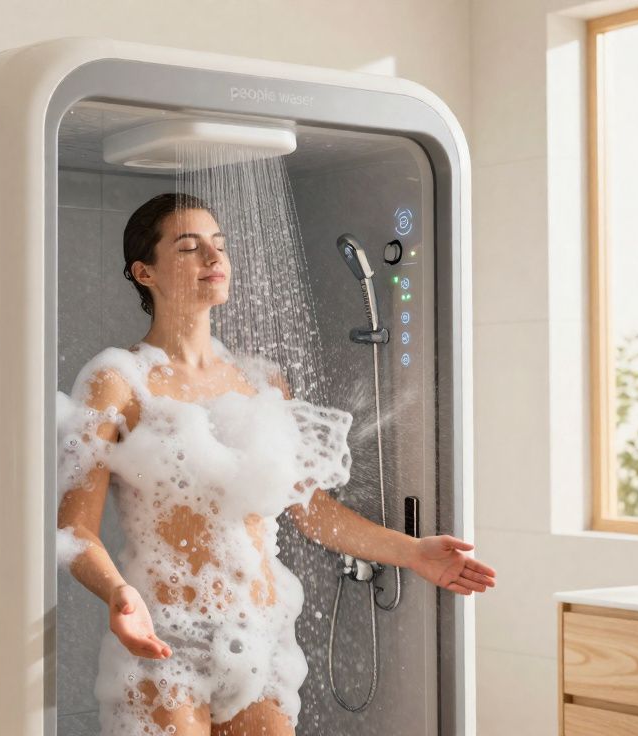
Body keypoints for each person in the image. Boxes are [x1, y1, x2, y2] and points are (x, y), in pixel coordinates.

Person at [56, 192, 496, 736]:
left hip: (259, 641)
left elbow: (311, 511)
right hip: (168, 641)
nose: (213, 258)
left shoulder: (261, 381)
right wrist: (118, 593)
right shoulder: (120, 381)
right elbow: (75, 529)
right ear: (144, 272)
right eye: (189, 248)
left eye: (220, 245)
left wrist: (414, 553)